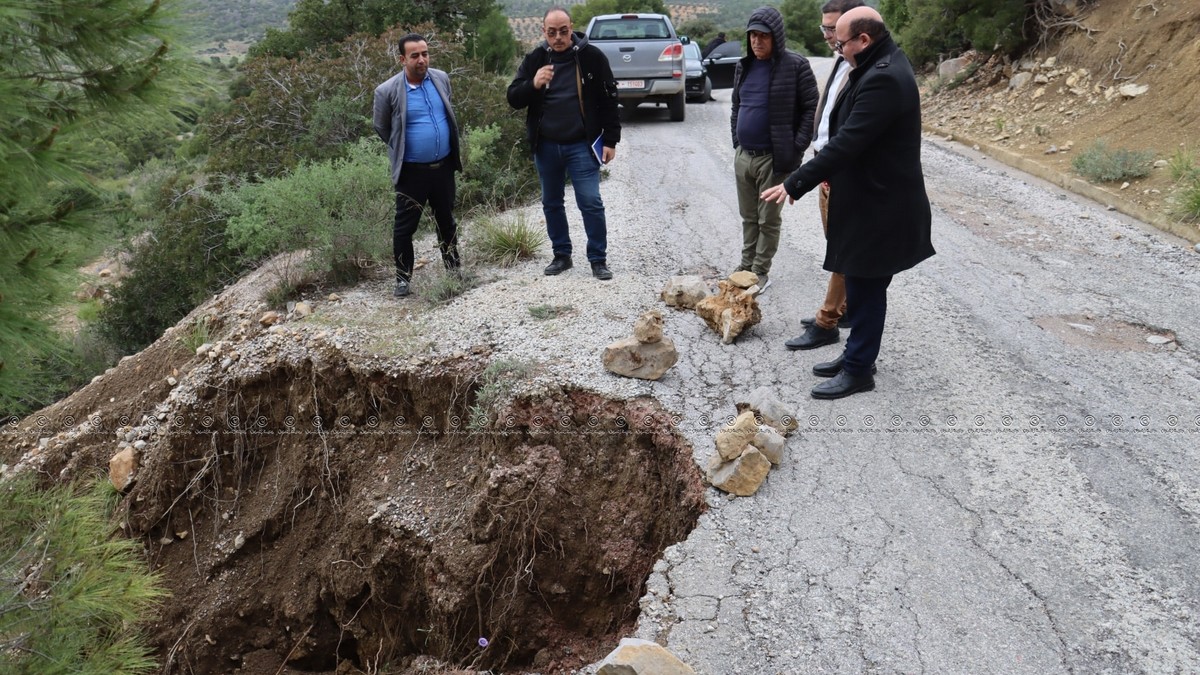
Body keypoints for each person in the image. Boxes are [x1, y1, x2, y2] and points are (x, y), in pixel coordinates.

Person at [761, 6, 935, 399]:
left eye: (841, 44)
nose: (837, 50)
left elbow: (848, 142)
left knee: (867, 288)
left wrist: (794, 182)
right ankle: (858, 355)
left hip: (880, 205)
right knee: (859, 285)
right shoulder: (879, 63)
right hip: (870, 200)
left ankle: (858, 370)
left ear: (864, 39)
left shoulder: (884, 78)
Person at [507, 7, 621, 280]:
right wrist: (533, 84)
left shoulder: (592, 57)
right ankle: (562, 255)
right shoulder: (536, 58)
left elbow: (609, 100)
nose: (558, 37)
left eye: (563, 31)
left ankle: (598, 259)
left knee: (591, 201)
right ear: (543, 32)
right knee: (551, 202)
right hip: (546, 145)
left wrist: (610, 140)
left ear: (572, 28)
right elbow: (513, 97)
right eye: (552, 32)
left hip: (581, 144)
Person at [784, 0, 864, 350]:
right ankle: (845, 308)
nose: (829, 35)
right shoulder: (840, 60)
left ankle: (827, 320)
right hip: (827, 168)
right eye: (825, 28)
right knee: (836, 242)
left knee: (843, 248)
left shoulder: (866, 70)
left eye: (833, 28)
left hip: (842, 171)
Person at [730, 7, 819, 292]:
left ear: (776, 37)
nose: (757, 41)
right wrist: (736, 140)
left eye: (763, 36)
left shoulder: (795, 65)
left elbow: (811, 109)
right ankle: (745, 266)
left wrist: (796, 148)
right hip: (744, 156)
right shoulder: (744, 66)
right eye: (753, 35)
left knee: (767, 219)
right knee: (748, 217)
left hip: (773, 158)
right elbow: (736, 105)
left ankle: (759, 272)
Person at [373, 33, 462, 298]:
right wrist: (405, 148)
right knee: (404, 228)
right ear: (402, 59)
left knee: (446, 221)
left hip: (443, 167)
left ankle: (454, 270)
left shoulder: (441, 78)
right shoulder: (387, 90)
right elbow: (382, 127)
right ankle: (403, 279)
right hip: (411, 173)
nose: (422, 59)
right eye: (415, 55)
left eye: (425, 53)